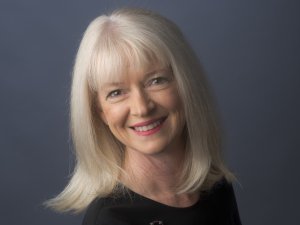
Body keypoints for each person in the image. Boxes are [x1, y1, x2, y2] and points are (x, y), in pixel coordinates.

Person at [47, 8, 242, 225]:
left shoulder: (216, 185)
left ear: (186, 84)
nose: (141, 108)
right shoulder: (110, 220)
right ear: (100, 112)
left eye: (156, 80)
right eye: (116, 93)